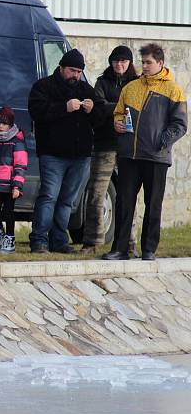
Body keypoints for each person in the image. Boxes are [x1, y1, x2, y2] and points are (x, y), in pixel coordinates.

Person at [103, 43, 187, 261]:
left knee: (153, 204)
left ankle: (149, 249)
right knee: (124, 202)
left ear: (160, 63)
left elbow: (180, 125)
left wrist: (161, 141)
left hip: (157, 157)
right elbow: (119, 113)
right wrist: (118, 123)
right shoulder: (130, 88)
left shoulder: (173, 90)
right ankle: (120, 249)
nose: (145, 66)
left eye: (149, 62)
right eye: (143, 62)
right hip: (130, 155)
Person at [27, 48, 104, 254]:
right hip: (52, 154)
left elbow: (100, 120)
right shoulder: (43, 87)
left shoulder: (87, 90)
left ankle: (59, 241)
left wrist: (92, 110)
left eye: (79, 71)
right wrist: (65, 108)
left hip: (80, 156)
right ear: (61, 68)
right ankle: (39, 240)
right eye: (72, 70)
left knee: (67, 200)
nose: (76, 75)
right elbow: (37, 112)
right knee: (49, 196)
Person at [81, 45, 139, 256]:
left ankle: (130, 243)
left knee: (128, 195)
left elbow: (137, 109)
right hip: (104, 144)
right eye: (116, 61)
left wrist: (109, 107)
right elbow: (97, 106)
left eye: (123, 61)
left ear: (129, 63)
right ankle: (91, 242)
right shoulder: (102, 82)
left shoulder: (137, 83)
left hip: (129, 146)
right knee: (96, 194)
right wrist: (120, 108)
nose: (119, 64)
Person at [0, 106, 28, 254]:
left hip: (9, 186)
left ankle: (10, 238)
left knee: (8, 212)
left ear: (10, 125)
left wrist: (17, 186)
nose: (1, 126)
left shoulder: (17, 142)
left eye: (5, 123)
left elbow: (20, 166)